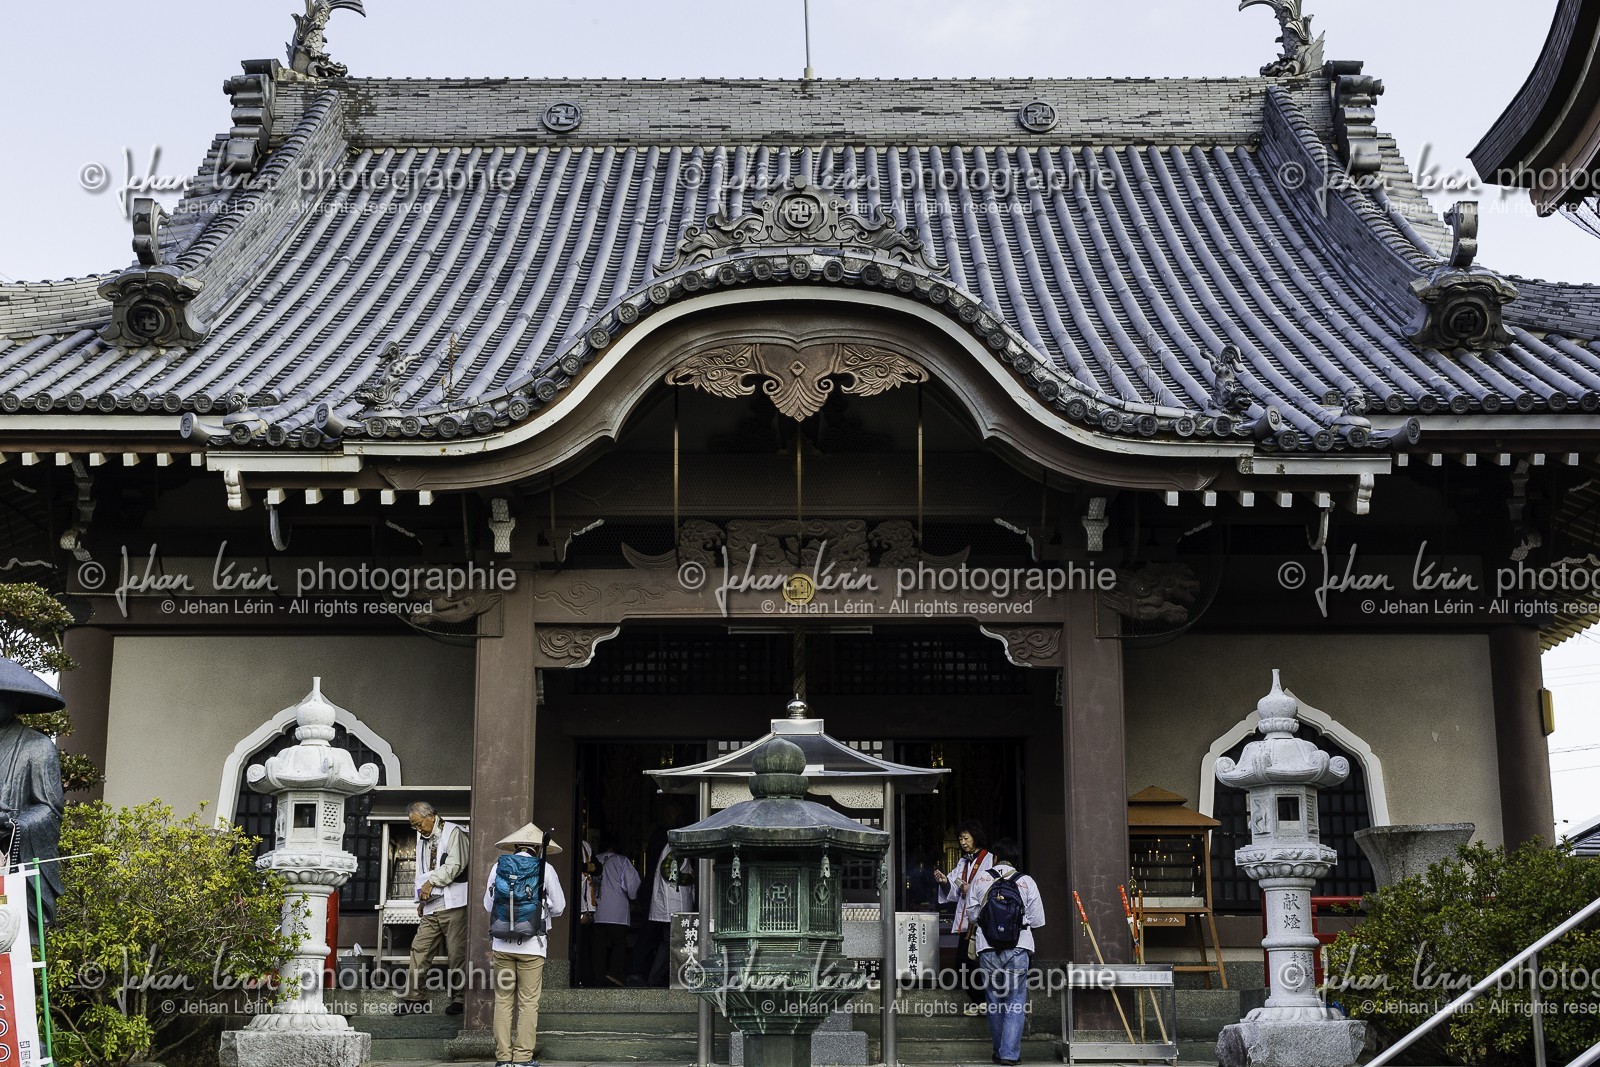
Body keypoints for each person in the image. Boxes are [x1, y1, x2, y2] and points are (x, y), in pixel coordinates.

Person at [483, 821, 566, 1067]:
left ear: (515, 845)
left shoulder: (498, 866)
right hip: (533, 946)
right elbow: (560, 907)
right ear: (537, 848)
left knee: (503, 1000)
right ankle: (522, 1058)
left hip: (501, 945)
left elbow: (488, 905)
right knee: (528, 1002)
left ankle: (503, 1058)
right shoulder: (545, 868)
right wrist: (542, 908)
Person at [0, 658, 65, 932]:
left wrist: (14, 824)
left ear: (14, 701)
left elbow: (50, 808)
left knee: (9, 939)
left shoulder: (37, 746)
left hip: (9, 857)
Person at [970, 839, 1045, 1066]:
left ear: (995, 858)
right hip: (1018, 947)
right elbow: (1037, 920)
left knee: (994, 1001)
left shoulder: (980, 879)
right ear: (1015, 860)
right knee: (1015, 1001)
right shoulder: (1026, 881)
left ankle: (998, 1051)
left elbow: (972, 916)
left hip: (987, 947)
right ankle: (1009, 1055)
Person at [400, 800, 470, 1014]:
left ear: (431, 816)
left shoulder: (454, 832)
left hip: (454, 902)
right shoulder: (423, 838)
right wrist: (421, 900)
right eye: (413, 826)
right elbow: (422, 870)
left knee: (457, 953)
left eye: (419, 824)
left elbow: (456, 865)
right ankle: (415, 997)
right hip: (431, 905)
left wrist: (431, 883)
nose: (417, 829)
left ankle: (460, 998)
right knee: (419, 949)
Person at [935, 820, 995, 1012]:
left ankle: (983, 1001)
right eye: (960, 839)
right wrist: (945, 881)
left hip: (982, 921)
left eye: (966, 838)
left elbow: (995, 887)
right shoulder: (963, 862)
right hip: (966, 922)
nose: (963, 842)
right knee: (964, 963)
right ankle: (981, 1002)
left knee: (971, 962)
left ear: (975, 837)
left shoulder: (990, 859)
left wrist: (973, 889)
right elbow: (953, 889)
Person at [636, 842, 695, 986]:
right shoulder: (676, 846)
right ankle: (656, 979)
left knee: (669, 942)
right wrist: (691, 878)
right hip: (673, 902)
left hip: (671, 902)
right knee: (671, 942)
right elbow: (668, 871)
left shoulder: (672, 846)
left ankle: (660, 978)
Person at [589, 835, 639, 987]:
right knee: (619, 944)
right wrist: (634, 898)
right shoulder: (621, 861)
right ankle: (613, 973)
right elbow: (632, 887)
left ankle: (597, 977)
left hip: (597, 909)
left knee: (598, 946)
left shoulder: (595, 860)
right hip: (617, 910)